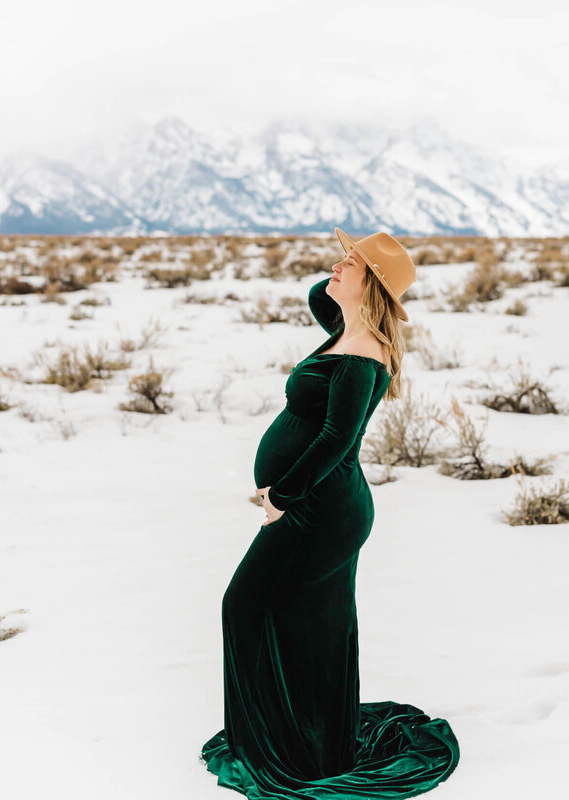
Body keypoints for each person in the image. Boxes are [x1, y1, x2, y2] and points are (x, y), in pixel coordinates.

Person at [199, 228, 460, 798]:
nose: (335, 268)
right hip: (326, 504)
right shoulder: (346, 334)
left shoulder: (361, 357)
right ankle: (311, 740)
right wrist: (357, 278)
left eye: (350, 263)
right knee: (311, 625)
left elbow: (336, 441)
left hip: (320, 509)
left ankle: (276, 749)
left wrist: (282, 498)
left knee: (244, 605)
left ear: (372, 288)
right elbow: (320, 296)